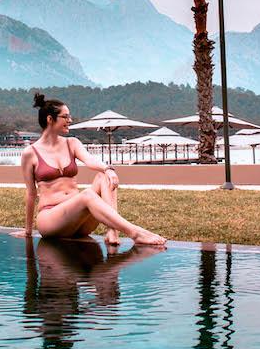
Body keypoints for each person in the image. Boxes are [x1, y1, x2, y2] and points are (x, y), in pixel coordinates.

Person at [12, 93, 166, 246]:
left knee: (102, 176)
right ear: (50, 119)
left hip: (79, 220)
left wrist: (107, 169)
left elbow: (90, 160)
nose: (70, 120)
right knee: (87, 194)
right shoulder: (30, 153)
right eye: (65, 117)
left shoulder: (71, 143)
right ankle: (136, 233)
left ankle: (112, 232)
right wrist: (27, 232)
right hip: (51, 220)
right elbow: (31, 193)